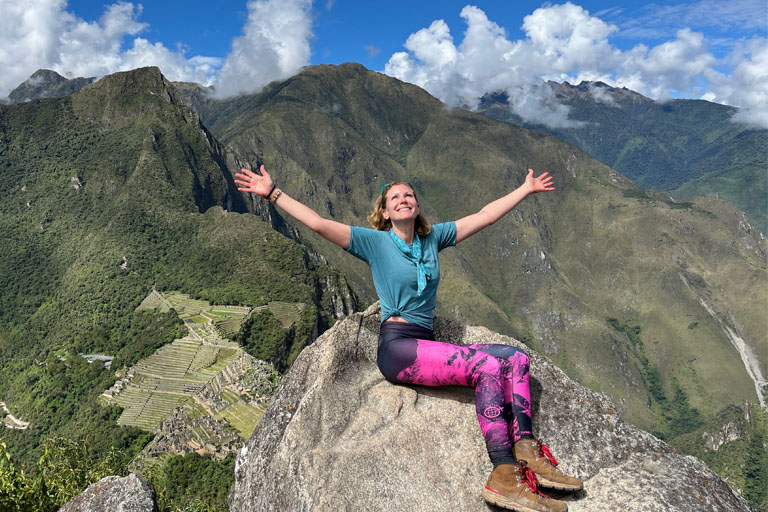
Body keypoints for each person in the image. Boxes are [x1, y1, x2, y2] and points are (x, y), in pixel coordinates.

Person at [235, 165, 582, 512]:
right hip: (398, 349)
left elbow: (485, 216)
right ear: (384, 212)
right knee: (488, 366)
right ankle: (504, 474)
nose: (404, 199)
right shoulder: (375, 243)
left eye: (409, 195)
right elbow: (318, 224)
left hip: (427, 343)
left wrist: (525, 189)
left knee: (517, 359)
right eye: (395, 197)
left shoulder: (432, 239)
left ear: (417, 207)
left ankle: (526, 449)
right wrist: (272, 193)